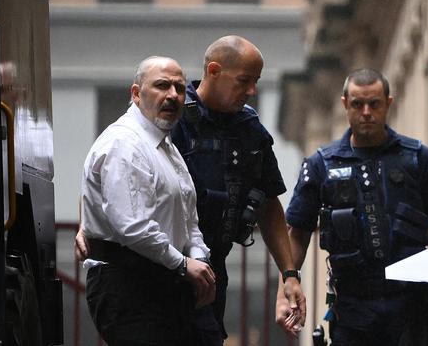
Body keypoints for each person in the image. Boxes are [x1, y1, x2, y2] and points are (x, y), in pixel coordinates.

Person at [76, 36, 305, 344]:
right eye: (244, 81)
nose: (252, 91)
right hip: (151, 267)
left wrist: (288, 273)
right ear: (213, 71)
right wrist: (86, 224)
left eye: (179, 89)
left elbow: (267, 202)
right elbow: (114, 181)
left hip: (203, 268)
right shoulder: (161, 121)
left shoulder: (246, 128)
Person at [276, 68, 428, 345]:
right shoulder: (321, 164)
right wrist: (285, 288)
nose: (367, 112)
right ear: (345, 104)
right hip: (352, 306)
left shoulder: (417, 157)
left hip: (411, 303)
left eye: (375, 104)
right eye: (358, 104)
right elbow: (297, 233)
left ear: (389, 103)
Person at [81, 56, 216, 345]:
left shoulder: (164, 147)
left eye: (179, 89)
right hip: (127, 284)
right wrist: (183, 264)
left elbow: (188, 218)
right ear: (136, 93)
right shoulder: (124, 144)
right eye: (162, 86)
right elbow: (132, 226)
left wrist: (199, 259)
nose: (173, 96)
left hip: (166, 284)